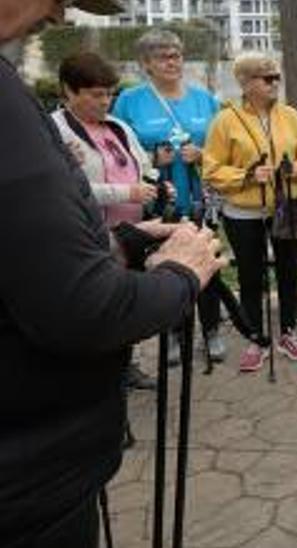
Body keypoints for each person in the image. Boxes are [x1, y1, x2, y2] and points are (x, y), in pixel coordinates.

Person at [0, 1, 226, 546]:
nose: (57, 16)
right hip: (26, 489)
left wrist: (122, 242)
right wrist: (179, 277)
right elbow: (84, 308)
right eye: (55, 0)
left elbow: (28, 256)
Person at [113, 29, 227, 361]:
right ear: (146, 63)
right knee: (166, 266)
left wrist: (202, 154)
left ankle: (212, 328)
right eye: (163, 56)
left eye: (176, 54)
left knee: (207, 261)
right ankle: (174, 333)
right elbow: (119, 153)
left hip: (201, 199)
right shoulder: (129, 100)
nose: (172, 61)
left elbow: (224, 148)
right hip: (159, 203)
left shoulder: (204, 99)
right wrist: (151, 159)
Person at [51, 51, 162, 390]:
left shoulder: (118, 126)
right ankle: (93, 373)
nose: (105, 102)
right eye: (96, 94)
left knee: (124, 302)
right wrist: (126, 194)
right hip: (89, 236)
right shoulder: (53, 130)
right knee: (95, 306)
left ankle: (126, 364)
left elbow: (143, 166)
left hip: (130, 235)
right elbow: (67, 189)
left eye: (109, 93)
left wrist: (157, 183)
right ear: (69, 92)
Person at [203, 54, 297, 373]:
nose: (274, 83)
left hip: (286, 207)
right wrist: (247, 177)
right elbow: (211, 169)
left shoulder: (291, 116)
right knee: (251, 277)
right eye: (267, 78)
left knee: (288, 272)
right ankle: (256, 337)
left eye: (276, 77)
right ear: (245, 83)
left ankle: (289, 333)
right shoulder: (225, 120)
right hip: (243, 212)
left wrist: (293, 169)